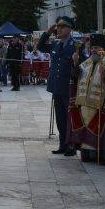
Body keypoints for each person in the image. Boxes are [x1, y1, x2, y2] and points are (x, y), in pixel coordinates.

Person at [68, 33, 105, 163]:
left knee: (99, 127)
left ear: (104, 48)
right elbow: (76, 75)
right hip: (84, 102)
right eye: (92, 47)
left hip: (100, 102)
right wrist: (75, 62)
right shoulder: (88, 61)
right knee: (86, 127)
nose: (94, 50)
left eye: (96, 47)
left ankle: (101, 154)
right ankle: (87, 153)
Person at [38, 17, 77, 156]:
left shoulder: (76, 46)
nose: (59, 29)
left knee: (70, 118)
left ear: (69, 29)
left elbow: (82, 67)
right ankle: (63, 144)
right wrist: (47, 32)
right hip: (56, 87)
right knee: (60, 118)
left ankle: (71, 145)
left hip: (69, 88)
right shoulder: (55, 44)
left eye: (62, 27)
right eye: (58, 27)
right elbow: (40, 47)